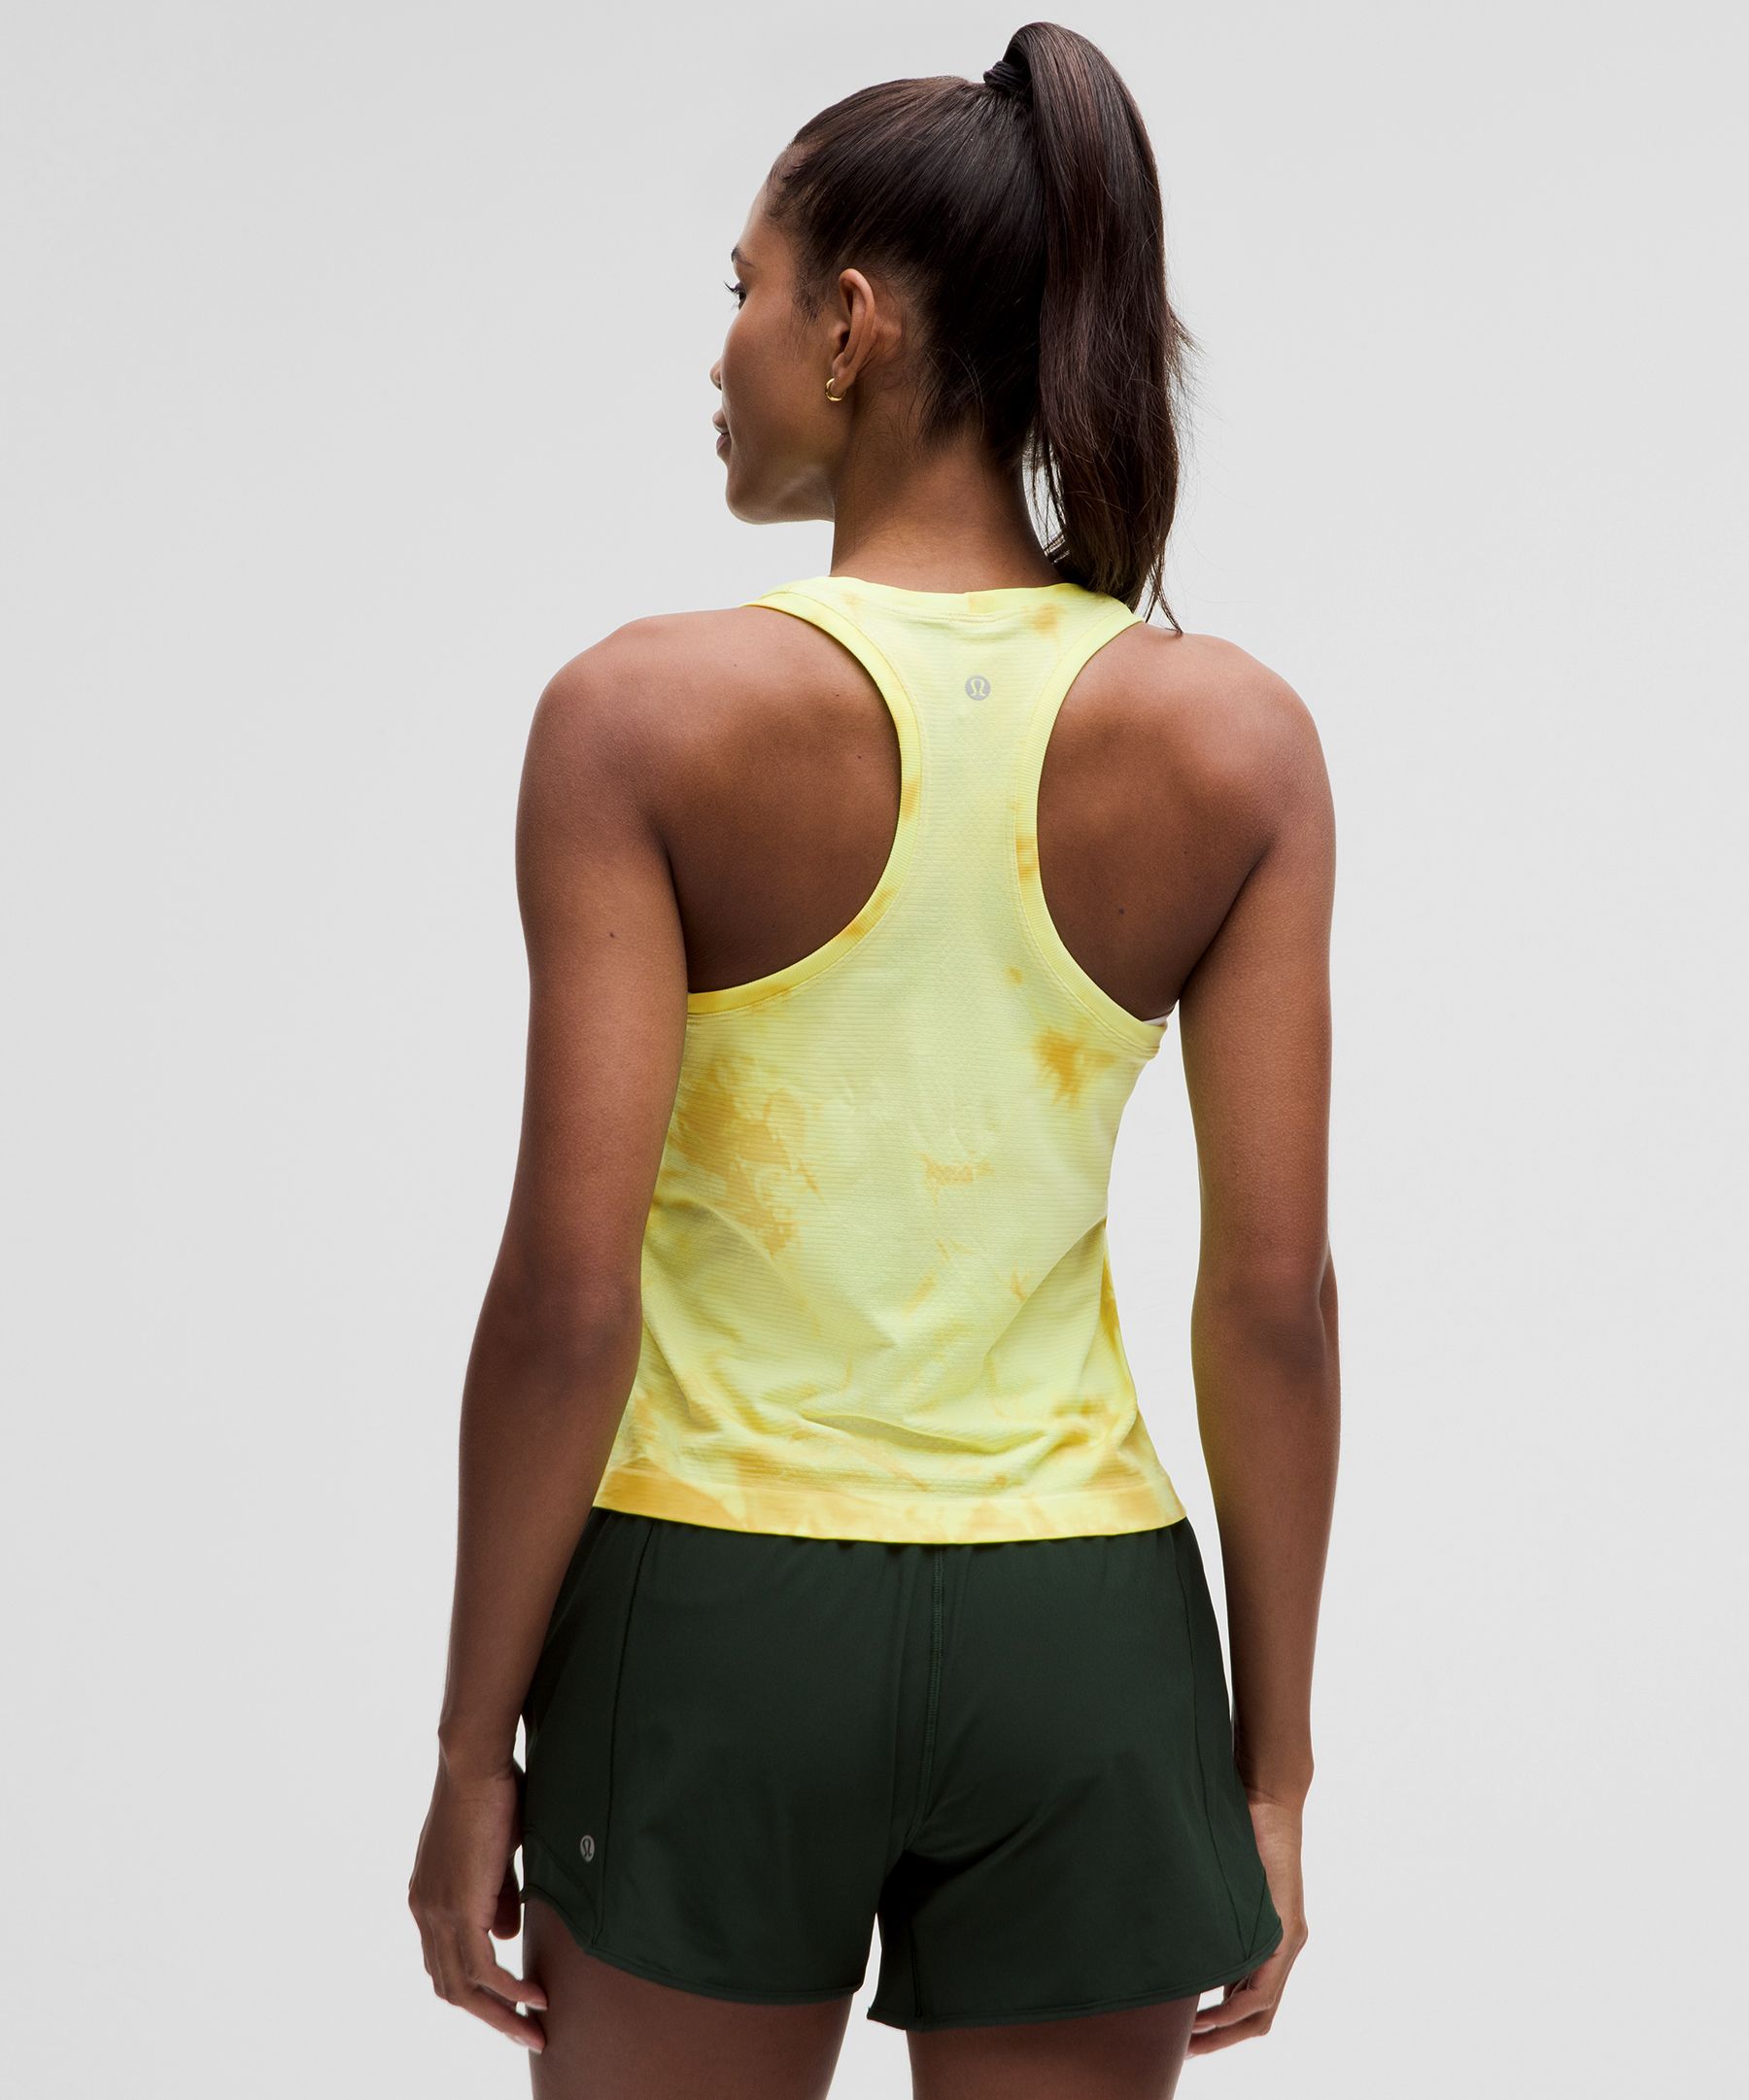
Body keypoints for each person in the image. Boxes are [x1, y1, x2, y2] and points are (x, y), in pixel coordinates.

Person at [408, 22, 1338, 2099]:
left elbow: (566, 1299)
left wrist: (472, 1747)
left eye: (742, 288)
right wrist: (1273, 1771)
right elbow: (1274, 1300)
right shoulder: (1234, 743)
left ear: (851, 325)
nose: (719, 348)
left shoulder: (642, 720)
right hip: (1085, 1634)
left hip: (711, 1616)